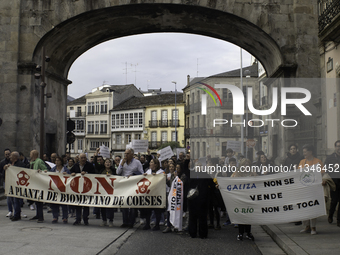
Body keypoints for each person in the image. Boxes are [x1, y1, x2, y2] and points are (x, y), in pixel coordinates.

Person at [298, 144, 325, 235]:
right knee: (304, 207)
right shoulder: (302, 162)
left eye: (305, 151)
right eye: (303, 152)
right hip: (304, 189)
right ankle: (306, 226)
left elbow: (322, 174)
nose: (304, 153)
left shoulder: (318, 162)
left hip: (314, 189)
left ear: (311, 152)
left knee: (313, 207)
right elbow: (298, 174)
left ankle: (313, 227)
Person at [116, 148, 143, 228]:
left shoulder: (137, 162)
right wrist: (121, 164)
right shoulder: (122, 161)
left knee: (132, 203)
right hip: (124, 185)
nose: (126, 155)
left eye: (127, 154)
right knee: (124, 203)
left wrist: (134, 176)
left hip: (133, 184)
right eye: (125, 154)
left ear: (132, 154)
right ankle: (125, 221)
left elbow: (141, 173)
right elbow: (118, 172)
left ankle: (131, 222)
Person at [231, 158, 256, 241]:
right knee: (241, 215)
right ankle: (240, 233)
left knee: (249, 215)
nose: (246, 166)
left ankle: (248, 233)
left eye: (248, 165)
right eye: (245, 165)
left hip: (249, 197)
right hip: (240, 197)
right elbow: (230, 183)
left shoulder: (253, 173)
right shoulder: (236, 174)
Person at [188, 162, 215, 239]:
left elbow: (212, 184)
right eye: (197, 165)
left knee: (202, 217)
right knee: (192, 217)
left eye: (200, 166)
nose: (198, 167)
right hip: (192, 199)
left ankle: (202, 234)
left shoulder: (205, 174)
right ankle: (192, 233)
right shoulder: (191, 174)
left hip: (203, 200)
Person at [71, 153, 95, 226]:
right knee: (78, 204)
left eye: (84, 158)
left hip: (86, 188)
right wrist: (72, 173)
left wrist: (87, 173)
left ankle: (85, 219)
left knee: (86, 204)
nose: (83, 159)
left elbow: (94, 174)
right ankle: (78, 219)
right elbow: (70, 172)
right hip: (77, 189)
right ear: (79, 159)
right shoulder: (75, 165)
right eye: (82, 158)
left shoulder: (90, 165)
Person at [3, 151, 27, 221]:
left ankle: (16, 215)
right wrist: (5, 168)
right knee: (12, 200)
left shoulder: (20, 164)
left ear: (15, 157)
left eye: (11, 156)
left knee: (16, 200)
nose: (10, 157)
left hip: (17, 185)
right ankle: (16, 213)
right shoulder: (10, 164)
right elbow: (4, 174)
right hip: (11, 184)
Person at [142, 158, 165, 230]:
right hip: (149, 193)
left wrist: (156, 177)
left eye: (151, 162)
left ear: (155, 164)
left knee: (157, 209)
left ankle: (157, 224)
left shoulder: (161, 172)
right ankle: (147, 224)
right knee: (148, 209)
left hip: (157, 193)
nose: (150, 163)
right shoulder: (148, 171)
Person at [50, 156, 71, 224]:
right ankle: (55, 217)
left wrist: (67, 174)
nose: (57, 162)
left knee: (64, 204)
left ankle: (65, 217)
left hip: (63, 188)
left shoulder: (65, 169)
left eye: (58, 160)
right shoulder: (53, 169)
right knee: (55, 203)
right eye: (56, 160)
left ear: (61, 161)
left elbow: (70, 177)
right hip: (55, 188)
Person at [29, 150, 48, 223]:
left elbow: (45, 170)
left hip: (38, 183)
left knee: (39, 201)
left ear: (34, 154)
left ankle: (41, 217)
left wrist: (41, 171)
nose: (30, 155)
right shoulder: (31, 162)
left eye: (31, 153)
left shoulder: (39, 161)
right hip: (33, 183)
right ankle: (37, 214)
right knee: (36, 201)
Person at [324, 140, 340, 226]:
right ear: (335, 147)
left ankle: (339, 220)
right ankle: (330, 215)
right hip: (334, 182)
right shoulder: (330, 158)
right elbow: (326, 169)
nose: (339, 148)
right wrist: (333, 168)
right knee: (334, 201)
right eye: (338, 146)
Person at [100, 159, 116, 227]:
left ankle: (111, 220)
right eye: (106, 162)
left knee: (110, 206)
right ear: (104, 164)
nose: (107, 163)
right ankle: (104, 220)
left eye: (109, 162)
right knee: (103, 206)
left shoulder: (114, 171)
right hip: (102, 191)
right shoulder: (101, 171)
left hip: (110, 191)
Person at [0, 148, 12, 217]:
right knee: (8, 196)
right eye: (6, 154)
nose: (7, 155)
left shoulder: (13, 161)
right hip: (6, 180)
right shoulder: (2, 162)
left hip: (13, 181)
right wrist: (4, 173)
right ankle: (10, 210)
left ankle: (18, 210)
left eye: (8, 154)